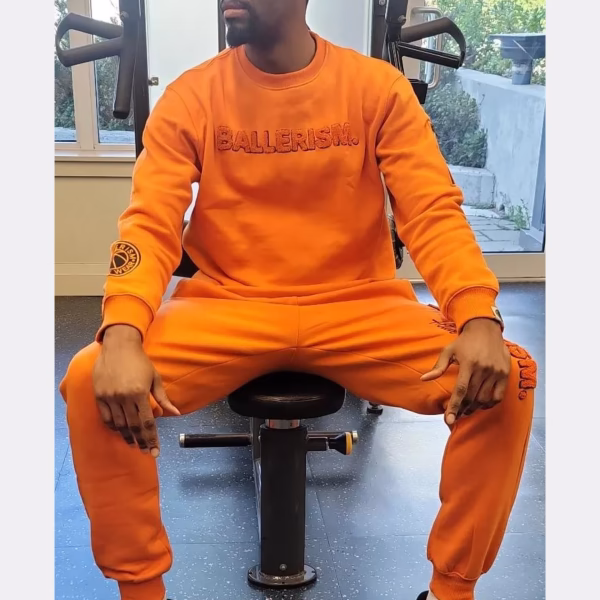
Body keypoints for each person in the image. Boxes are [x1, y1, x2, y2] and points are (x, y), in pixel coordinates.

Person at [60, 1, 537, 599]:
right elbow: (149, 223)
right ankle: (141, 592)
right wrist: (123, 329)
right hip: (229, 304)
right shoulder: (192, 95)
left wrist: (477, 314)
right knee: (92, 379)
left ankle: (451, 590)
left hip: (358, 305)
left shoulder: (377, 89)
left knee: (509, 375)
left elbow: (431, 211)